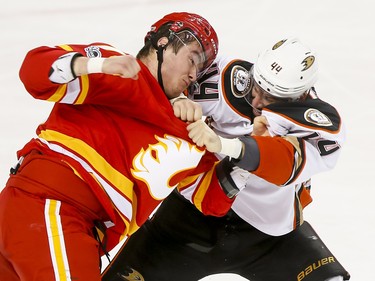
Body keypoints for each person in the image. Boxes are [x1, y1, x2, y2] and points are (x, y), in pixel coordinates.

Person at [0, 12, 243, 281]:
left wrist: (243, 152)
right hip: (52, 209)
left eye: (201, 68)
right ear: (163, 42)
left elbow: (211, 200)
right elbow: (33, 72)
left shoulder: (188, 131)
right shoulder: (115, 67)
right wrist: (93, 66)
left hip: (76, 231)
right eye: (193, 58)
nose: (194, 73)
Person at [101, 38, 350, 281]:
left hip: (268, 236)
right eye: (258, 88)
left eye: (270, 98)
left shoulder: (319, 128)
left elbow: (282, 163)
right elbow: (162, 74)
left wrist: (224, 145)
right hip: (190, 216)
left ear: (299, 96)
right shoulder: (225, 79)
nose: (257, 101)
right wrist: (176, 98)